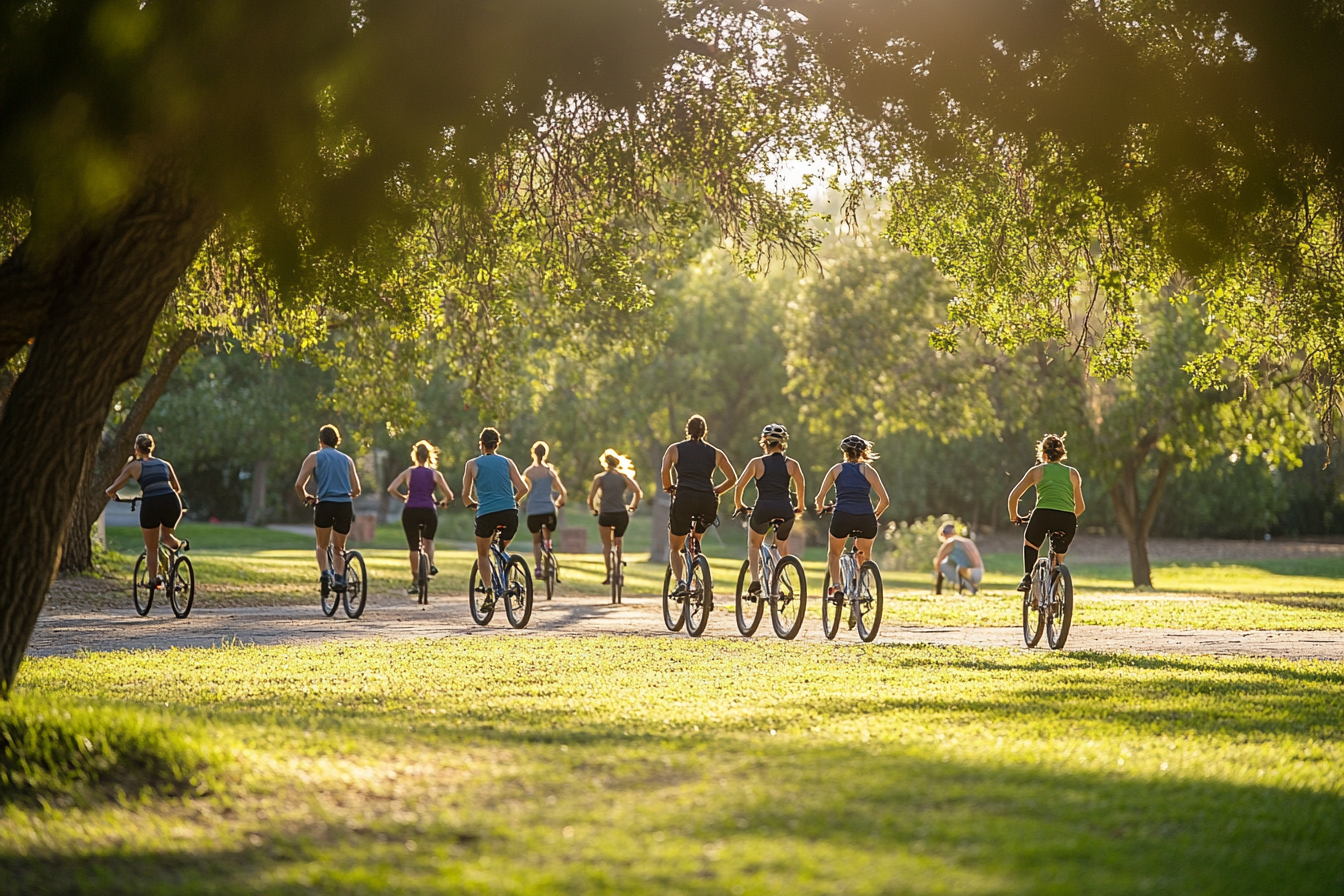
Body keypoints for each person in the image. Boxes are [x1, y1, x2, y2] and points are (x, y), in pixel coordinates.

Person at [660, 414, 737, 600]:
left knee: (675, 548)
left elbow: (665, 470)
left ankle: (680, 583)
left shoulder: (674, 449)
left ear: (687, 430)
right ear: (705, 432)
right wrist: (716, 491)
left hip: (684, 498)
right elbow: (733, 478)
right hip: (707, 501)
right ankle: (698, 562)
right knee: (696, 537)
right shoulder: (716, 452)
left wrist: (669, 487)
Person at [813, 434, 890, 620]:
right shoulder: (869, 470)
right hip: (866, 518)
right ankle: (861, 590)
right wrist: (874, 515)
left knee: (834, 553)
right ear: (863, 452)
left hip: (842, 516)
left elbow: (819, 498)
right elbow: (885, 500)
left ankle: (837, 587)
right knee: (863, 554)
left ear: (844, 452)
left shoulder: (836, 469)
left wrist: (822, 508)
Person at [104, 433, 187, 589]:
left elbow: (114, 487)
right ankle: (180, 548)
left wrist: (111, 493)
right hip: (172, 502)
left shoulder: (134, 466)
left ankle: (154, 580)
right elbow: (177, 488)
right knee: (167, 537)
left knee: (151, 548)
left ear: (136, 448)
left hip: (152, 503)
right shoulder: (165, 464)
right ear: (152, 447)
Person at [732, 423, 806, 597]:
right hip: (785, 510)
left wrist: (739, 505)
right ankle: (776, 585)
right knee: (780, 549)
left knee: (754, 544)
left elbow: (739, 486)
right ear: (783, 443)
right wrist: (800, 507)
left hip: (763, 508)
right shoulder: (792, 464)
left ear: (764, 442)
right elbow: (801, 485)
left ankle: (755, 580)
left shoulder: (756, 463)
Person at [1007, 432, 1086, 592]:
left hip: (1042, 515)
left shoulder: (1037, 471)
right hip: (1067, 519)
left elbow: (1013, 497)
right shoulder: (1073, 474)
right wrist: (1067, 516)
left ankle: (1027, 576)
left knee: (1031, 543)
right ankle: (1054, 591)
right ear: (1062, 455)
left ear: (1043, 454)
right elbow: (1080, 507)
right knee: (1058, 559)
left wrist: (1014, 516)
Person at [294, 424, 362, 592]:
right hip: (344, 506)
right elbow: (357, 489)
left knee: (322, 546)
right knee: (339, 548)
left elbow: (299, 485)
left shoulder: (314, 457)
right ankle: (340, 579)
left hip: (324, 504)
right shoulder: (347, 460)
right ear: (337, 441)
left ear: (320, 441)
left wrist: (305, 498)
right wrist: (347, 494)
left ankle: (325, 574)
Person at [462, 426, 528, 597]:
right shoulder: (507, 462)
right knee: (501, 549)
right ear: (498, 444)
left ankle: (489, 591)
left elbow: (465, 496)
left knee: (483, 555)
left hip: (486, 515)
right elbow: (523, 488)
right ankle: (507, 572)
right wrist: (512, 501)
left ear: (481, 444)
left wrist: (473, 505)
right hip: (510, 514)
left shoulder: (472, 464)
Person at [386, 439, 455, 594]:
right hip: (428, 510)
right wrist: (443, 502)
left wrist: (404, 497)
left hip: (410, 510)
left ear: (415, 455)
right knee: (428, 541)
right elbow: (449, 495)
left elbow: (391, 488)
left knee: (413, 547)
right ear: (429, 456)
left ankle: (415, 579)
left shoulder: (408, 472)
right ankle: (430, 565)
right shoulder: (435, 474)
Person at [588, 449, 643, 585]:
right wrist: (633, 506)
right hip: (621, 515)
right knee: (618, 541)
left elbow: (591, 498)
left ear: (604, 463)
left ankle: (609, 575)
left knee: (607, 545)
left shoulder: (600, 478)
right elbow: (637, 491)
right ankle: (619, 565)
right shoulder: (623, 477)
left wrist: (593, 509)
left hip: (606, 514)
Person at [523, 441, 568, 578]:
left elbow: (525, 490)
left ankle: (538, 567)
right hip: (548, 509)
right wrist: (560, 502)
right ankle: (548, 549)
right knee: (547, 533)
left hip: (533, 510)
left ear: (533, 453)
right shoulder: (550, 472)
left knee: (536, 540)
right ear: (545, 453)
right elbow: (562, 491)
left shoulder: (528, 472)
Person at [933, 522, 984, 595]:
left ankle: (939, 589)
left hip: (968, 574)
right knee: (954, 559)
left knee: (942, 564)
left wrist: (938, 575)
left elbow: (938, 560)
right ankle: (966, 585)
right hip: (979, 574)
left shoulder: (951, 541)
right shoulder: (967, 541)